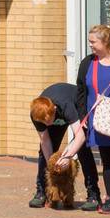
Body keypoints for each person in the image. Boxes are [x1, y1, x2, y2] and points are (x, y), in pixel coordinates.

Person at [62, 24, 110, 214]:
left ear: (106, 41)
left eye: (93, 42)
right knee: (109, 161)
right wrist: (85, 115)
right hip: (100, 120)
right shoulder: (88, 63)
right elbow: (81, 91)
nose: (90, 45)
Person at [28, 82, 101, 211]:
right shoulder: (37, 115)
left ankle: (93, 194)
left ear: (54, 110)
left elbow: (80, 136)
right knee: (44, 155)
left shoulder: (65, 106)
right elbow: (45, 141)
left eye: (48, 120)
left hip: (78, 107)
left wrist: (68, 156)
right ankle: (41, 192)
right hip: (58, 116)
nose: (46, 124)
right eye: (43, 122)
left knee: (83, 150)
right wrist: (52, 163)